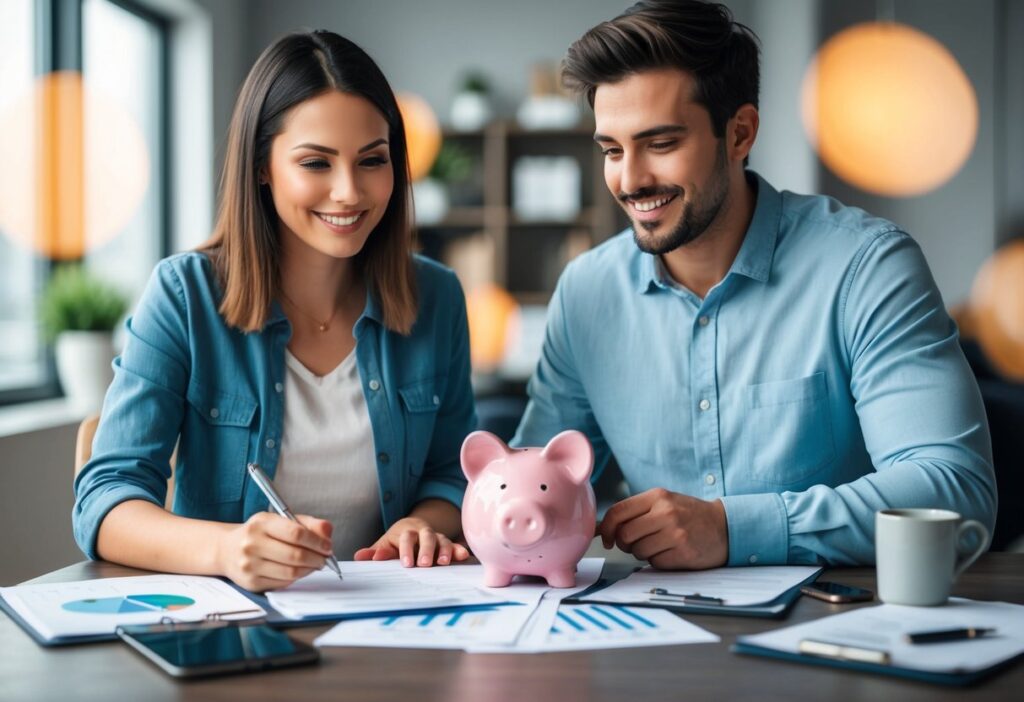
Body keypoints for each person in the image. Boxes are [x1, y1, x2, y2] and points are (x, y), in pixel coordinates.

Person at [513, 0, 996, 569]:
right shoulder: (586, 293)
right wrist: (448, 521)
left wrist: (731, 527)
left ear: (739, 133)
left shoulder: (867, 267)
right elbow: (528, 482)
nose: (630, 179)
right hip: (652, 634)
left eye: (661, 144)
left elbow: (953, 490)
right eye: (612, 151)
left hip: (838, 623)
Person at [73, 30, 476, 591]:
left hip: (388, 627)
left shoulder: (437, 297)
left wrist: (422, 524)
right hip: (228, 631)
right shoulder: (184, 295)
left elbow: (451, 473)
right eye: (316, 163)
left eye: (372, 161)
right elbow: (105, 497)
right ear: (263, 166)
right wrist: (227, 549)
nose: (349, 192)